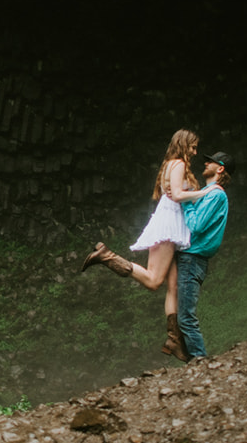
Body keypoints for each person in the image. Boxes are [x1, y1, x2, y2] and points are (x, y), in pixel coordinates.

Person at [79, 130, 210, 350]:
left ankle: (174, 340)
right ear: (183, 144)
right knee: (153, 280)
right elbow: (177, 195)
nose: (195, 152)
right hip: (169, 226)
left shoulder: (172, 164)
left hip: (172, 224)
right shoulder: (177, 164)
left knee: (174, 286)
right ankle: (107, 256)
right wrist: (205, 193)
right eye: (193, 147)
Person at [171, 151, 232, 362]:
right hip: (190, 258)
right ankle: (190, 358)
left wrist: (185, 200)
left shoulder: (215, 194)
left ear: (220, 168)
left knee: (186, 317)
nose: (206, 163)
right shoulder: (206, 192)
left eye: (211, 162)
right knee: (182, 313)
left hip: (192, 258)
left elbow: (196, 225)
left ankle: (201, 363)